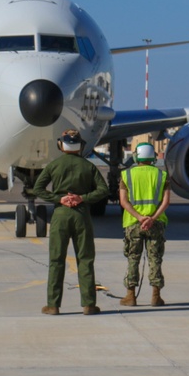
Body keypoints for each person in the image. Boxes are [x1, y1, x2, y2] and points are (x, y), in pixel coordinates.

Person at [33, 129, 109, 315]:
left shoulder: (54, 165)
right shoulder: (88, 166)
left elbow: (38, 189)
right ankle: (89, 304)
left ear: (61, 145)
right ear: (80, 146)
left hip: (61, 215)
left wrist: (59, 199)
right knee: (85, 259)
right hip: (81, 215)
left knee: (56, 260)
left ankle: (53, 305)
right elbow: (103, 190)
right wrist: (82, 198)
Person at [117, 142, 171, 307]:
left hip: (133, 223)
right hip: (155, 223)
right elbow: (166, 202)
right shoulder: (162, 175)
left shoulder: (126, 175)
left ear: (136, 156)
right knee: (155, 258)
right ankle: (156, 296)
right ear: (153, 157)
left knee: (133, 258)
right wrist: (152, 218)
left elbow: (123, 202)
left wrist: (140, 217)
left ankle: (130, 296)